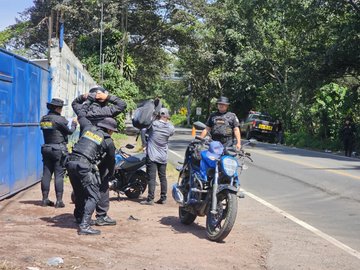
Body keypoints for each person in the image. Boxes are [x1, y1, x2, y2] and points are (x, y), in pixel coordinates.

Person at [72, 86, 126, 226]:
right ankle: (101, 216)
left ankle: (81, 215)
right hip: (102, 152)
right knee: (102, 183)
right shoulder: (106, 111)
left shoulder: (84, 112)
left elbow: (74, 104)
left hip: (85, 152)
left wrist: (85, 97)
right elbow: (122, 105)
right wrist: (107, 97)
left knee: (82, 186)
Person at [66, 112, 118, 235]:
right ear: (109, 130)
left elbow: (81, 116)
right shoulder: (107, 140)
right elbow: (111, 161)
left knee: (79, 193)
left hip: (70, 163)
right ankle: (84, 226)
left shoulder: (88, 130)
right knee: (93, 196)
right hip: (84, 165)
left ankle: (79, 217)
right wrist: (110, 173)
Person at [40, 98, 77, 207]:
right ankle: (59, 201)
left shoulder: (44, 119)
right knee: (59, 175)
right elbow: (69, 131)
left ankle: (44, 199)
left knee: (46, 174)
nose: (61, 110)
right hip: (58, 150)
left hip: (46, 148)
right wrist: (74, 124)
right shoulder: (59, 119)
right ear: (57, 108)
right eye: (61, 108)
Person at [140, 108, 175, 205]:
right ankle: (163, 198)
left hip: (152, 154)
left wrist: (144, 144)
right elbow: (171, 133)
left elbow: (143, 130)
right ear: (167, 116)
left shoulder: (154, 124)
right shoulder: (171, 127)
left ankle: (150, 199)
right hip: (163, 155)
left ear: (158, 115)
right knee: (163, 177)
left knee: (151, 177)